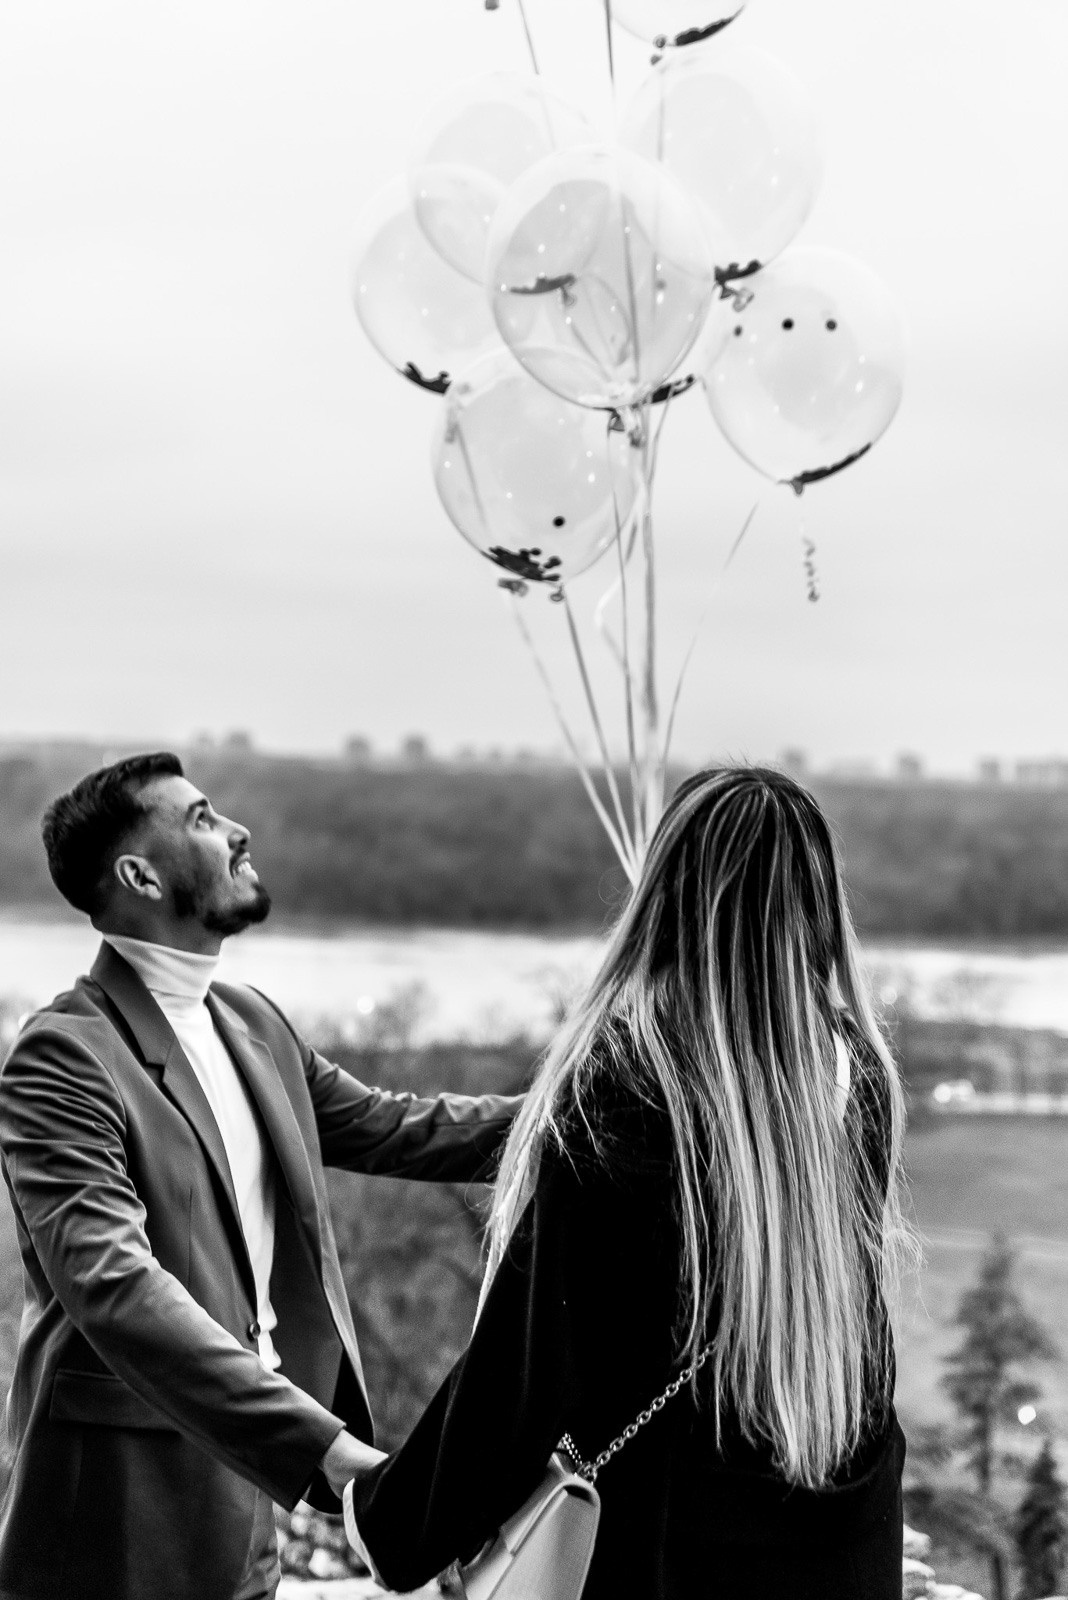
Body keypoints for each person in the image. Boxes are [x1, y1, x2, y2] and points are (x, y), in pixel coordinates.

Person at [343, 765, 916, 1600]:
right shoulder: (856, 1072)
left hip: (676, 1528)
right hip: (841, 1508)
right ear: (820, 904)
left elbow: (533, 1357)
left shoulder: (626, 1081)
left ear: (668, 894)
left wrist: (393, 1519)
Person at [0, 751, 520, 1600]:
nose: (238, 830)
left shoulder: (251, 1021)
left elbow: (402, 1127)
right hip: (113, 1525)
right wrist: (322, 1447)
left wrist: (601, 1103)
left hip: (247, 1505)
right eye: (202, 818)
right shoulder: (62, 1056)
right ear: (138, 873)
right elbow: (115, 1286)